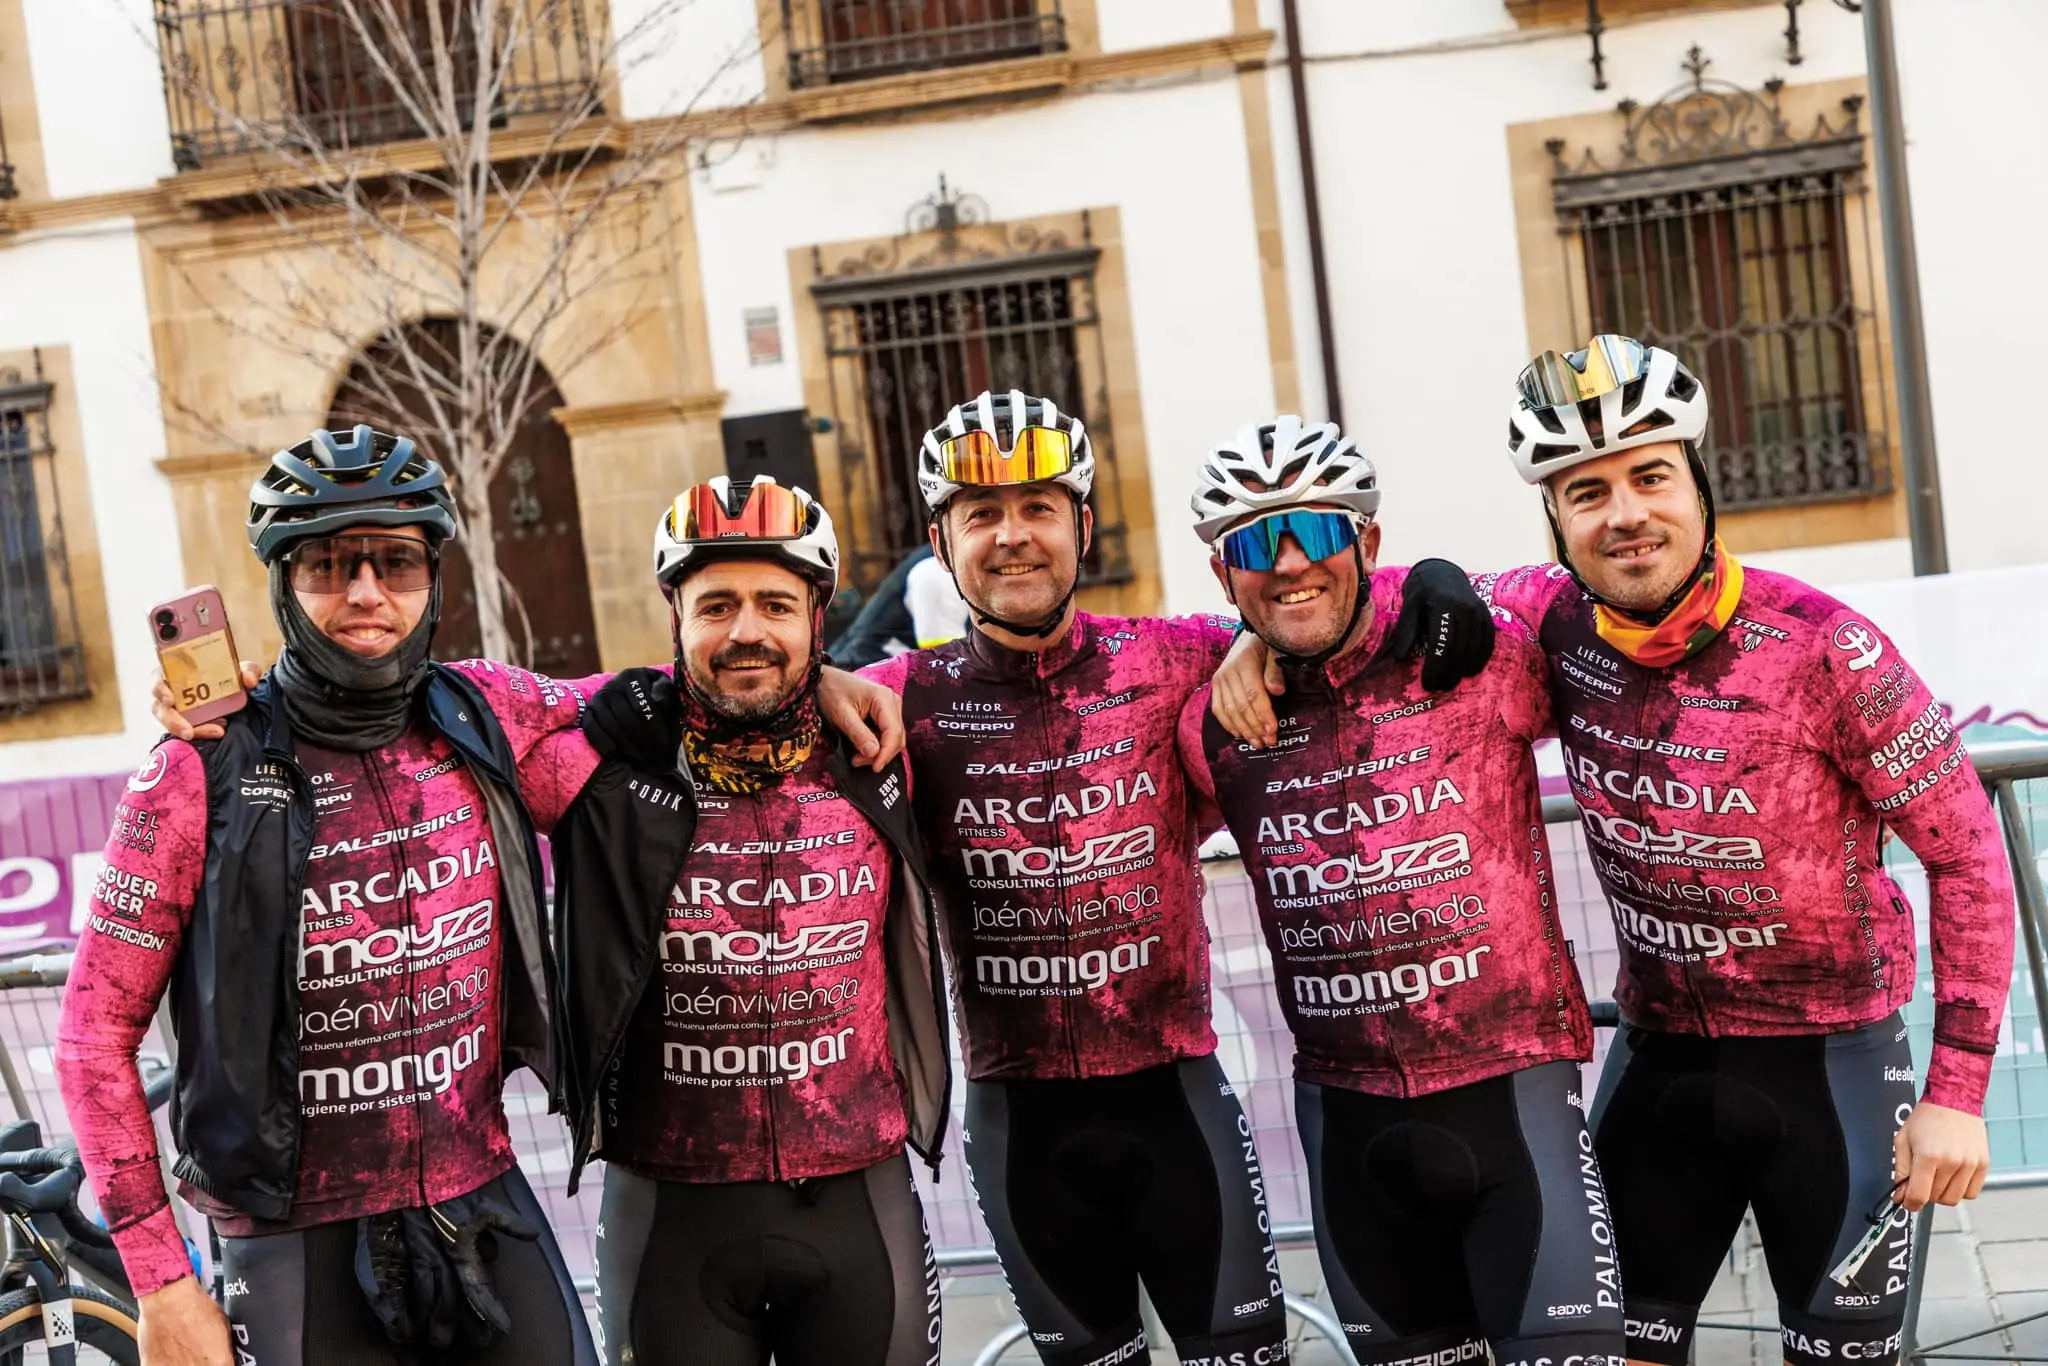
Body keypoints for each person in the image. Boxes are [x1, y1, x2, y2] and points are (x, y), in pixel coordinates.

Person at [1213, 337, 2018, 1366]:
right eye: (1584, 492)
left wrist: (1955, 1089)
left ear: (1698, 484)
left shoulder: (1825, 645)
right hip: (1656, 1066)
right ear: (1554, 519)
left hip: (1834, 1068)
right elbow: (1358, 601)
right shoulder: (1547, 622)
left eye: (1649, 477)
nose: (1624, 514)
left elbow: (1966, 855)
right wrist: (1259, 638)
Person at [59, 426, 602, 1366]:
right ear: (282, 583)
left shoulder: (483, 712)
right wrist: (159, 1282)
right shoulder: (196, 771)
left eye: (394, 562)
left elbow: (677, 698)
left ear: (433, 578)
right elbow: (90, 1037)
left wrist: (835, 682)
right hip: (291, 1246)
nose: (363, 592)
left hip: (480, 1197)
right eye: (327, 563)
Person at [1176, 417, 1625, 1366]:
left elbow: (1607, 580)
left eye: (1321, 531)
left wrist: (1446, 572)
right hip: (1349, 1129)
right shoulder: (1215, 722)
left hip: (1514, 1099)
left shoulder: (1478, 653)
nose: (1291, 561)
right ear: (1225, 576)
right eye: (1257, 542)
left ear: (1367, 542)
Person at [549, 476, 952, 1366]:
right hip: (670, 1207)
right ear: (674, 614)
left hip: (859, 1195)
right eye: (716, 605)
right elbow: (435, 711)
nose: (745, 632)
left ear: (818, 615)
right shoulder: (599, 765)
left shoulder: (881, 746)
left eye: (776, 604)